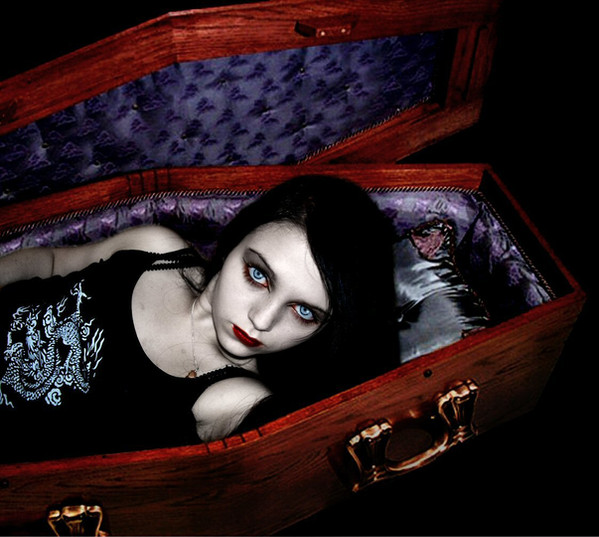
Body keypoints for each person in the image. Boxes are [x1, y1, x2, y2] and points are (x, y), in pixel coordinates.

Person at [0, 174, 398, 463]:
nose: (261, 320)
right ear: (235, 241)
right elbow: (50, 261)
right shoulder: (156, 248)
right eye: (258, 274)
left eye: (304, 311)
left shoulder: (232, 397)